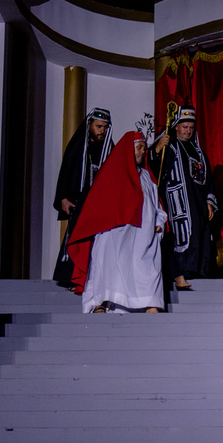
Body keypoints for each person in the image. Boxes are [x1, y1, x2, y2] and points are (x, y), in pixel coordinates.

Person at [67, 131, 168, 314]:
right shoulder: (111, 173)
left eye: (144, 148)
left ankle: (150, 304)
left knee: (147, 268)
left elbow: (158, 206)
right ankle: (101, 303)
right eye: (139, 148)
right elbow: (98, 206)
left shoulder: (146, 176)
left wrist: (159, 221)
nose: (143, 152)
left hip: (143, 235)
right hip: (115, 235)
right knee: (107, 265)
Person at [150, 106, 218, 289]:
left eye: (191, 128)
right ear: (176, 127)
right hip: (176, 202)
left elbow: (208, 181)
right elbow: (153, 167)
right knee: (180, 235)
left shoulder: (199, 152)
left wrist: (209, 201)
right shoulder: (168, 146)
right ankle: (179, 273)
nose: (187, 131)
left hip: (198, 203)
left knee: (199, 232)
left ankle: (195, 271)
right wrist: (157, 149)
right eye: (184, 127)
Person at [51, 108, 114, 289]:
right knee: (77, 239)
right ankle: (72, 278)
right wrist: (62, 198)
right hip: (79, 201)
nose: (102, 130)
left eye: (105, 127)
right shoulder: (78, 146)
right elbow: (65, 173)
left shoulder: (110, 148)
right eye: (99, 126)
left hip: (101, 205)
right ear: (90, 125)